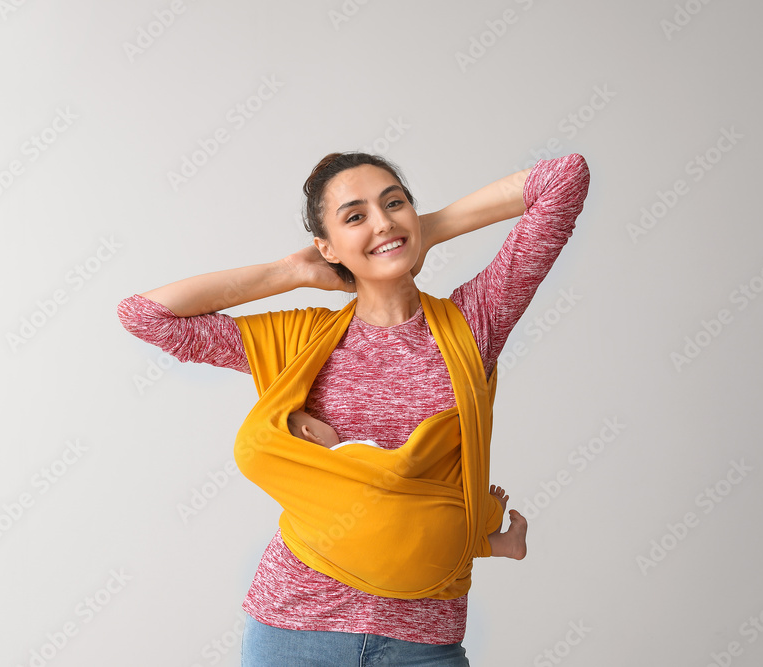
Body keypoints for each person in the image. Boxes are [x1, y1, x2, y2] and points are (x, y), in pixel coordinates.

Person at [118, 150, 590, 665]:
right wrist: (290, 271)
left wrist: (424, 230)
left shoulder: (473, 323)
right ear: (327, 246)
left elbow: (564, 179)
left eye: (395, 203)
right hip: (295, 625)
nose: (382, 221)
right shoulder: (303, 339)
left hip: (422, 637)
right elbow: (146, 316)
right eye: (355, 217)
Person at [287, 408, 528, 560]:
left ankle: (502, 545)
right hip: (405, 519)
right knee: (454, 525)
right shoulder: (349, 453)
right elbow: (398, 467)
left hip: (372, 550)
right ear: (311, 433)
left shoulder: (310, 482)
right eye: (315, 417)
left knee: (439, 544)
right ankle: (494, 514)